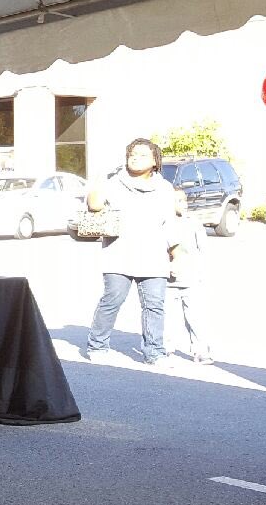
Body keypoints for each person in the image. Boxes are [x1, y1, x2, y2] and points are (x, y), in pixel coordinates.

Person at [84, 138, 179, 365]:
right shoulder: (113, 182)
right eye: (132, 154)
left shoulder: (165, 188)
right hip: (119, 254)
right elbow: (94, 205)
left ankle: (154, 352)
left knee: (154, 307)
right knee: (112, 301)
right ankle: (97, 346)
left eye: (142, 155)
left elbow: (171, 225)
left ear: (155, 161)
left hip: (154, 257)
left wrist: (176, 256)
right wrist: (98, 182)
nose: (135, 158)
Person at [168, 194, 212, 365]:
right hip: (168, 279)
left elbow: (203, 249)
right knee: (168, 316)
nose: (184, 204)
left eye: (185, 200)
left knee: (195, 316)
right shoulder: (163, 222)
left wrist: (200, 272)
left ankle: (201, 351)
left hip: (190, 277)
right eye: (179, 201)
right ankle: (166, 347)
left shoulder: (193, 223)